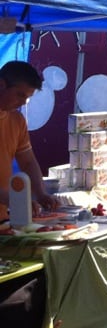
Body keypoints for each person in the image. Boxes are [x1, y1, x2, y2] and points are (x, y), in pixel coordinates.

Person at [0, 61, 58, 219]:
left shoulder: (17, 120)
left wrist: (40, 193)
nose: (24, 102)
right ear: (1, 85)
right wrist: (14, 199)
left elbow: (28, 162)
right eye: (20, 94)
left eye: (28, 97)